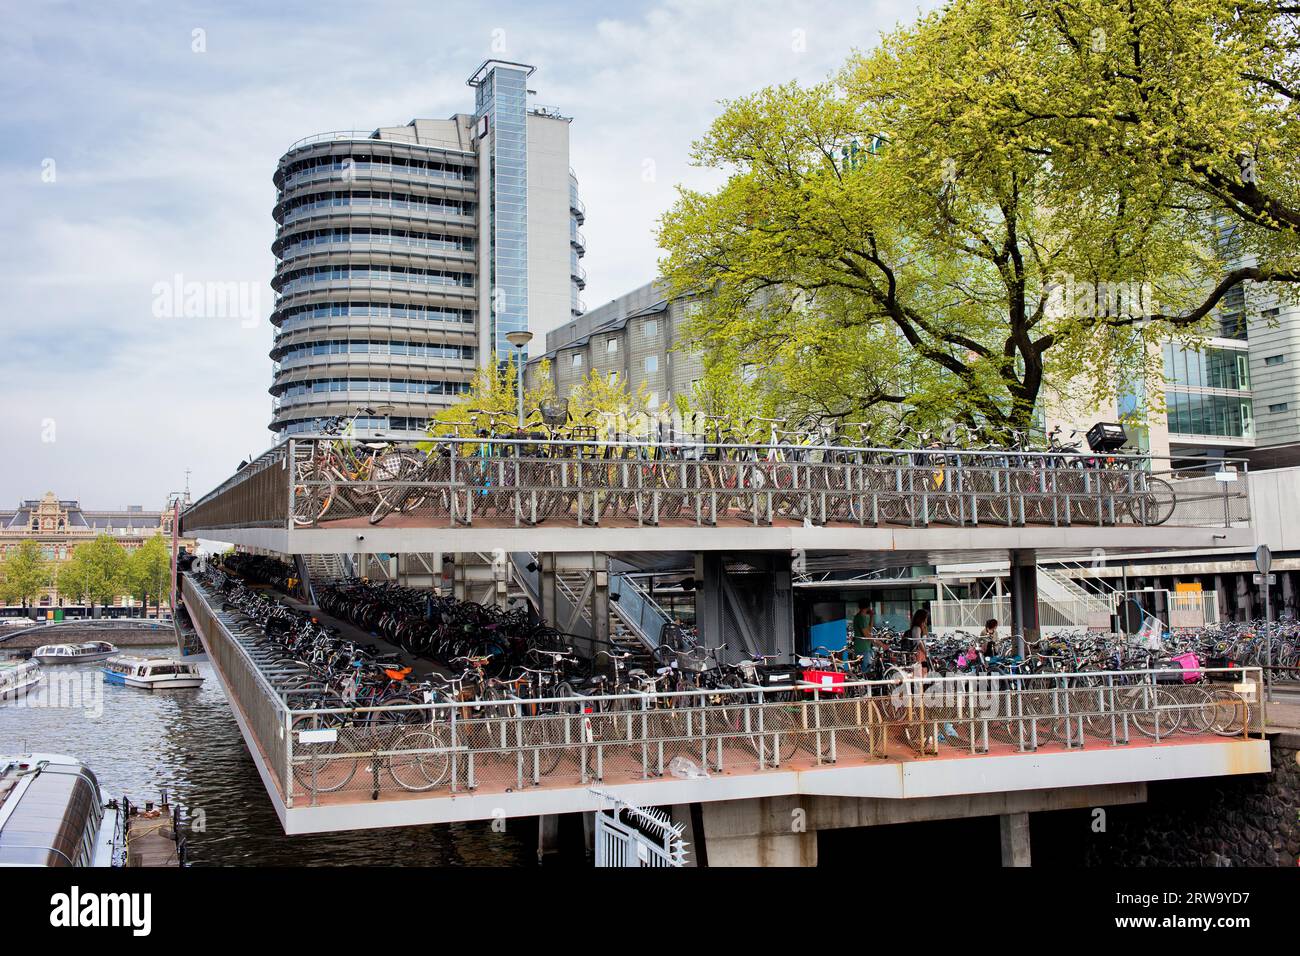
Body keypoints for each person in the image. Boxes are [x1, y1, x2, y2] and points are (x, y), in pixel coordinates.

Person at [850, 599, 878, 677]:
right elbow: (867, 635)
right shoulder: (860, 618)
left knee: (867, 668)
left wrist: (871, 617)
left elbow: (869, 630)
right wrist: (881, 644)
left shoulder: (862, 617)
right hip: (863, 648)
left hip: (866, 647)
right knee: (865, 671)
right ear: (868, 607)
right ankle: (865, 687)